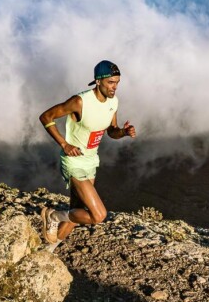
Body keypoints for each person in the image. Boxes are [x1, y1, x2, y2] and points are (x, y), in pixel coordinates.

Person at [39, 60, 136, 252]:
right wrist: (64, 144)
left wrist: (123, 133)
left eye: (117, 82)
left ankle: (47, 250)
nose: (114, 87)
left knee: (77, 212)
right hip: (74, 162)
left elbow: (111, 131)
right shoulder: (80, 102)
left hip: (91, 161)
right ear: (98, 81)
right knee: (97, 215)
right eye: (110, 82)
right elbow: (46, 117)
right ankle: (53, 216)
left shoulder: (113, 102)